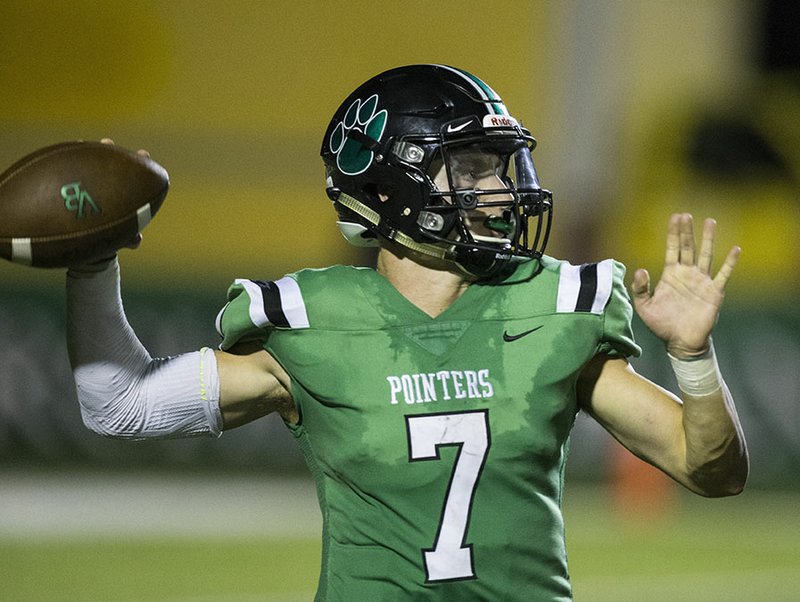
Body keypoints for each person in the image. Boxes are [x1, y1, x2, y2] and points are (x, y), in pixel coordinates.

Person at [66, 64, 748, 601]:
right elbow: (121, 407)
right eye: (473, 167)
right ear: (397, 182)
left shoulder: (553, 303)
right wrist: (93, 263)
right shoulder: (313, 320)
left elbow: (710, 471)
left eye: (500, 166)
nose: (501, 188)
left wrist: (693, 356)